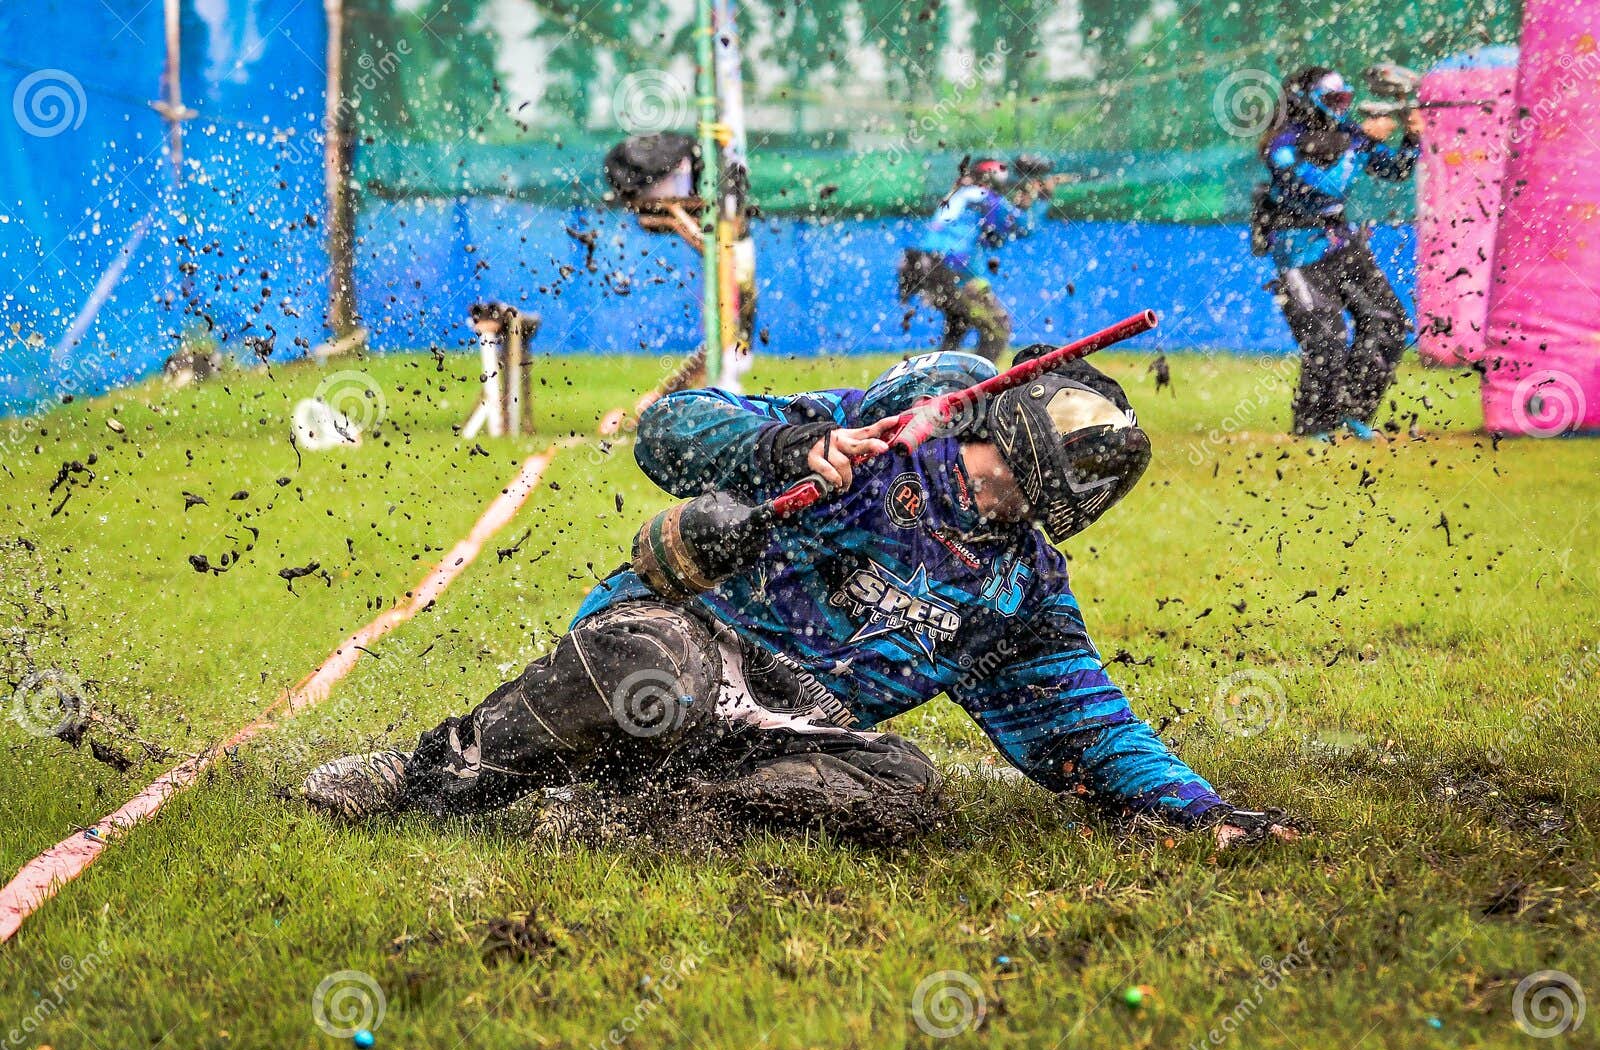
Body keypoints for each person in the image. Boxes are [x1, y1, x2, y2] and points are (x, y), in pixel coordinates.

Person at [302, 348, 1293, 849]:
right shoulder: (889, 423)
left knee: (901, 793)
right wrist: (786, 451)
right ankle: (424, 775)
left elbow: (1084, 722)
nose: (1002, 501)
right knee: (651, 674)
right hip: (679, 637)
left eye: (1030, 499)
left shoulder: (1020, 592)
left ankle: (631, 818)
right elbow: (671, 430)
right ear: (992, 429)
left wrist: (1196, 808)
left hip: (786, 727)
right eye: (1005, 475)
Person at [1252, 67, 1423, 440]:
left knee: (1388, 321)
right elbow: (1326, 186)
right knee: (1326, 339)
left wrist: (1412, 134)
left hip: (1341, 244)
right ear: (1305, 102)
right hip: (1296, 250)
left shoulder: (1346, 135)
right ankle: (1314, 425)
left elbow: (1397, 170)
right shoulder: (1281, 145)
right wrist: (1357, 142)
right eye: (1332, 101)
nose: (1340, 110)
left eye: (1344, 100)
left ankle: (1356, 411)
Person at [898, 159, 1058, 364]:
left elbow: (992, 235)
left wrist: (1023, 201)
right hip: (952, 269)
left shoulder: (960, 194)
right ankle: (979, 387)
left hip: (922, 265)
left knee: (958, 324)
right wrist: (1042, 199)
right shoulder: (983, 196)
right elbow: (1024, 226)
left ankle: (939, 380)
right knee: (999, 328)